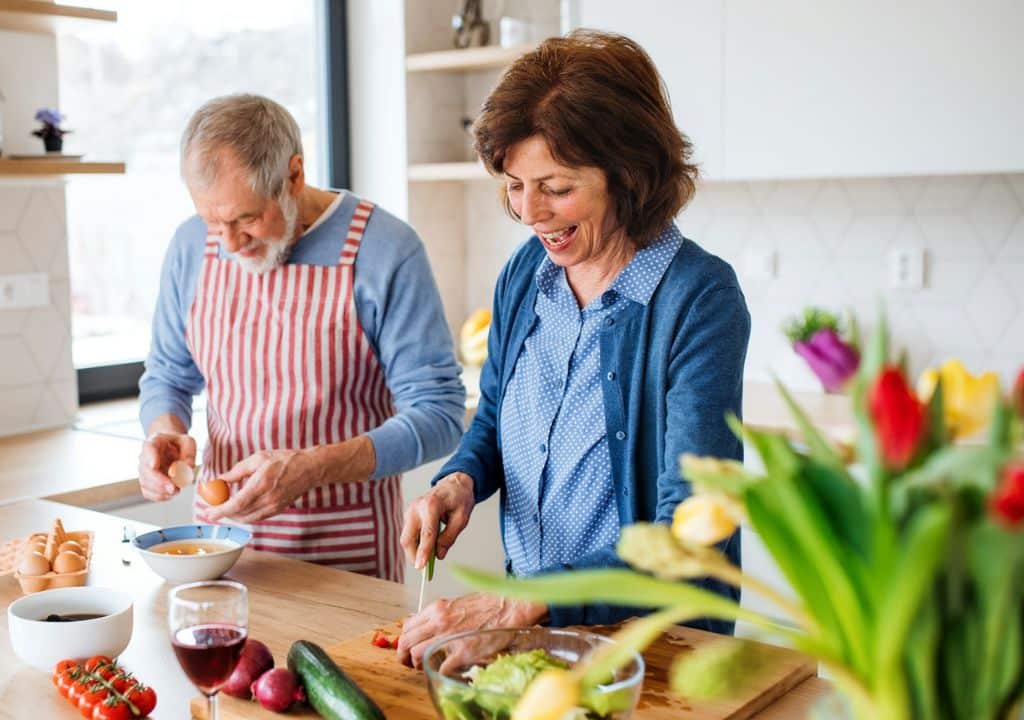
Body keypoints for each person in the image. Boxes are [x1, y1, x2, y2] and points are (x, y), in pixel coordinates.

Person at [397, 30, 751, 666]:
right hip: (531, 640)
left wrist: (520, 604)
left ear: (629, 174)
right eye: (513, 185)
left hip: (655, 651)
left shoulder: (699, 298)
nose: (531, 213)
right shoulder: (525, 276)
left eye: (557, 188)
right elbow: (497, 418)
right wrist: (459, 481)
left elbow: (689, 535)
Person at [138, 94, 465, 582]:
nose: (228, 243)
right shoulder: (190, 245)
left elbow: (440, 413)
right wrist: (163, 431)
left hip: (346, 560)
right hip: (222, 553)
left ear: (294, 174)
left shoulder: (385, 249)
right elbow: (168, 374)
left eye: (246, 218)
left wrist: (313, 466)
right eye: (213, 221)